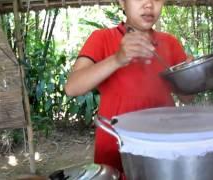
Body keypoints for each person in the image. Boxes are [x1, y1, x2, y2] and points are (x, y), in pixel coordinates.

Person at [65, 0, 194, 176]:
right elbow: (72, 87)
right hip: (116, 147)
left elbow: (187, 98)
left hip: (164, 147)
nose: (149, 5)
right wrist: (118, 59)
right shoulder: (102, 38)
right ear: (122, 3)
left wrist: (190, 75)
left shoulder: (170, 42)